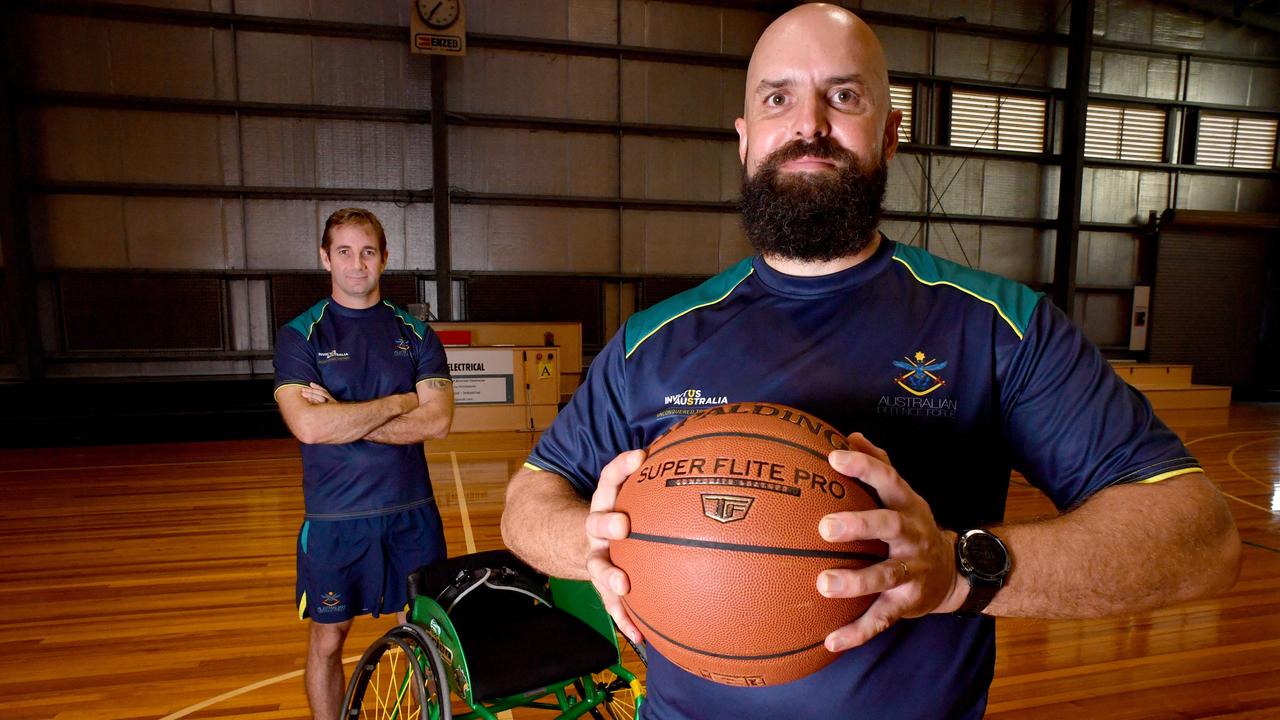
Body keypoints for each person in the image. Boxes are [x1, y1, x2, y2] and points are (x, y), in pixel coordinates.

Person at [500, 4, 1241, 719]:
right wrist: (590, 541)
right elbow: (528, 502)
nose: (808, 124)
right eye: (777, 97)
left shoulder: (996, 327)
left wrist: (959, 570)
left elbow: (1201, 539)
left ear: (889, 135)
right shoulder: (651, 340)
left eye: (843, 95)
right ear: (745, 136)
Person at [273, 207, 454, 720]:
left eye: (368, 252)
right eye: (345, 252)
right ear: (325, 258)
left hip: (412, 517)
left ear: (385, 259)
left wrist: (343, 414)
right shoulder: (300, 336)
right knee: (328, 641)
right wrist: (402, 401)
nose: (357, 264)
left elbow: (437, 421)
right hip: (336, 521)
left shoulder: (416, 334)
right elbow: (309, 427)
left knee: (424, 640)